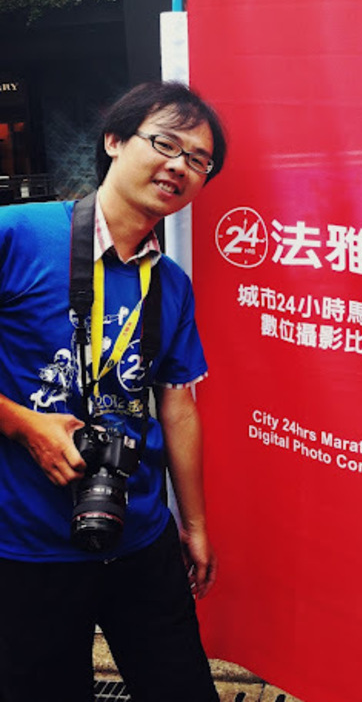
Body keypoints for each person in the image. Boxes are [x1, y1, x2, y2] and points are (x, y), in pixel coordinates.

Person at [0, 81, 226, 702]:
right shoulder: (16, 234)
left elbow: (177, 405)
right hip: (26, 545)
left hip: (140, 533)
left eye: (199, 160)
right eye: (165, 144)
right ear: (114, 141)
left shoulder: (171, 284)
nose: (179, 166)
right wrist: (23, 424)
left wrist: (195, 526)